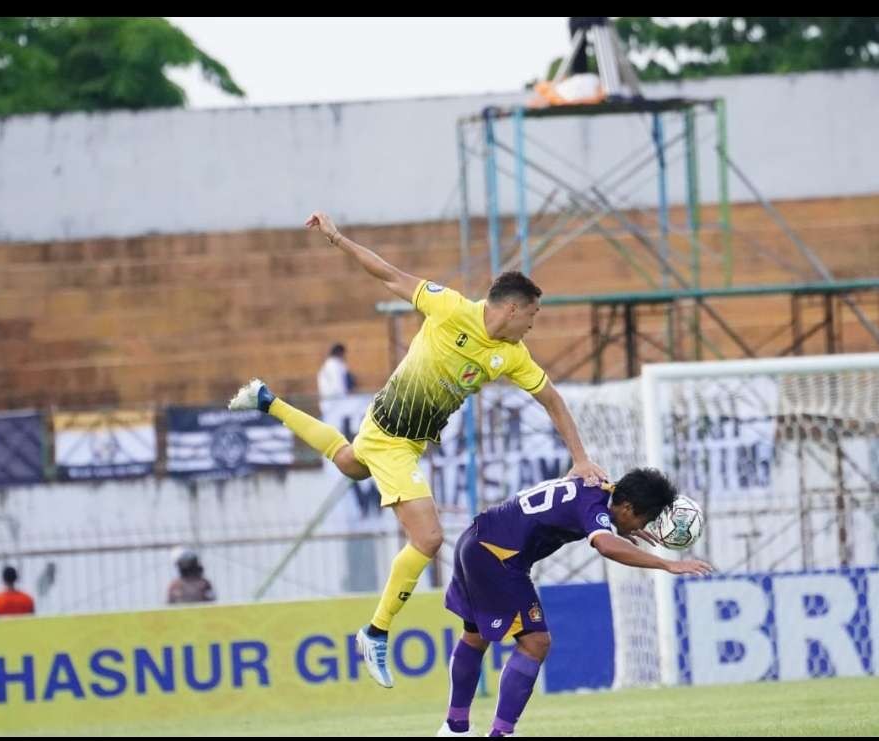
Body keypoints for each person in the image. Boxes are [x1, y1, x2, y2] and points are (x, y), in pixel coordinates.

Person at [228, 210, 608, 689]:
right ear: (511, 308)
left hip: (402, 435)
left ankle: (267, 400)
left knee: (349, 464)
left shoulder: (512, 356)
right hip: (391, 437)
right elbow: (389, 274)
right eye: (532, 314)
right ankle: (376, 630)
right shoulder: (450, 308)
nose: (533, 325)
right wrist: (338, 238)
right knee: (427, 539)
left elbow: (552, 400)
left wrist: (580, 457)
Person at [438, 468, 711, 737]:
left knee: (474, 638)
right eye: (645, 519)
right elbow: (606, 546)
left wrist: (614, 528)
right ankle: (501, 733)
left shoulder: (596, 486)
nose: (642, 528)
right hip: (498, 557)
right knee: (535, 643)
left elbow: (572, 500)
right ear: (627, 507)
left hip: (474, 539)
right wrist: (666, 564)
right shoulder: (594, 507)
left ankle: (455, 728)